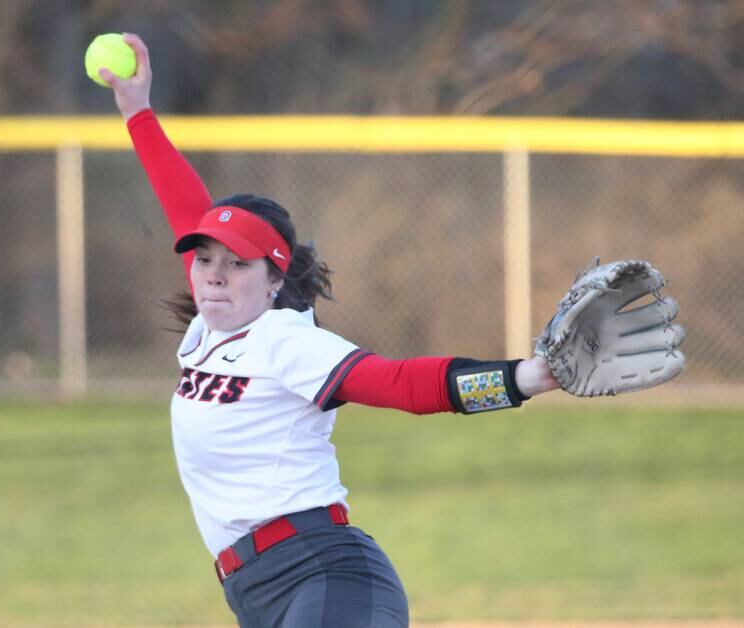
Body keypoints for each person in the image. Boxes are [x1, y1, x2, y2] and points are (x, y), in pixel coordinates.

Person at [101, 33, 560, 628]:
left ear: (273, 280)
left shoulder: (285, 340)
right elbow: (184, 204)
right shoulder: (211, 333)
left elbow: (399, 384)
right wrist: (137, 108)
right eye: (204, 259)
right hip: (258, 593)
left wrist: (525, 377)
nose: (213, 274)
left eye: (236, 262)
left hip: (325, 575)